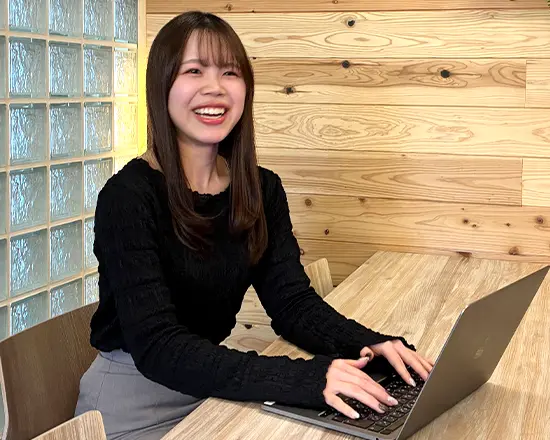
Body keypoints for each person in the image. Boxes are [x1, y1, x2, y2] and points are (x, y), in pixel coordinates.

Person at [74, 10, 433, 440]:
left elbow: (292, 303)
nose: (215, 87)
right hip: (133, 402)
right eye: (194, 70)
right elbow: (159, 347)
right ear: (162, 85)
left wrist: (369, 344)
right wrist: (306, 379)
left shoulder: (260, 189)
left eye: (230, 72)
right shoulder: (127, 196)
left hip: (211, 387)